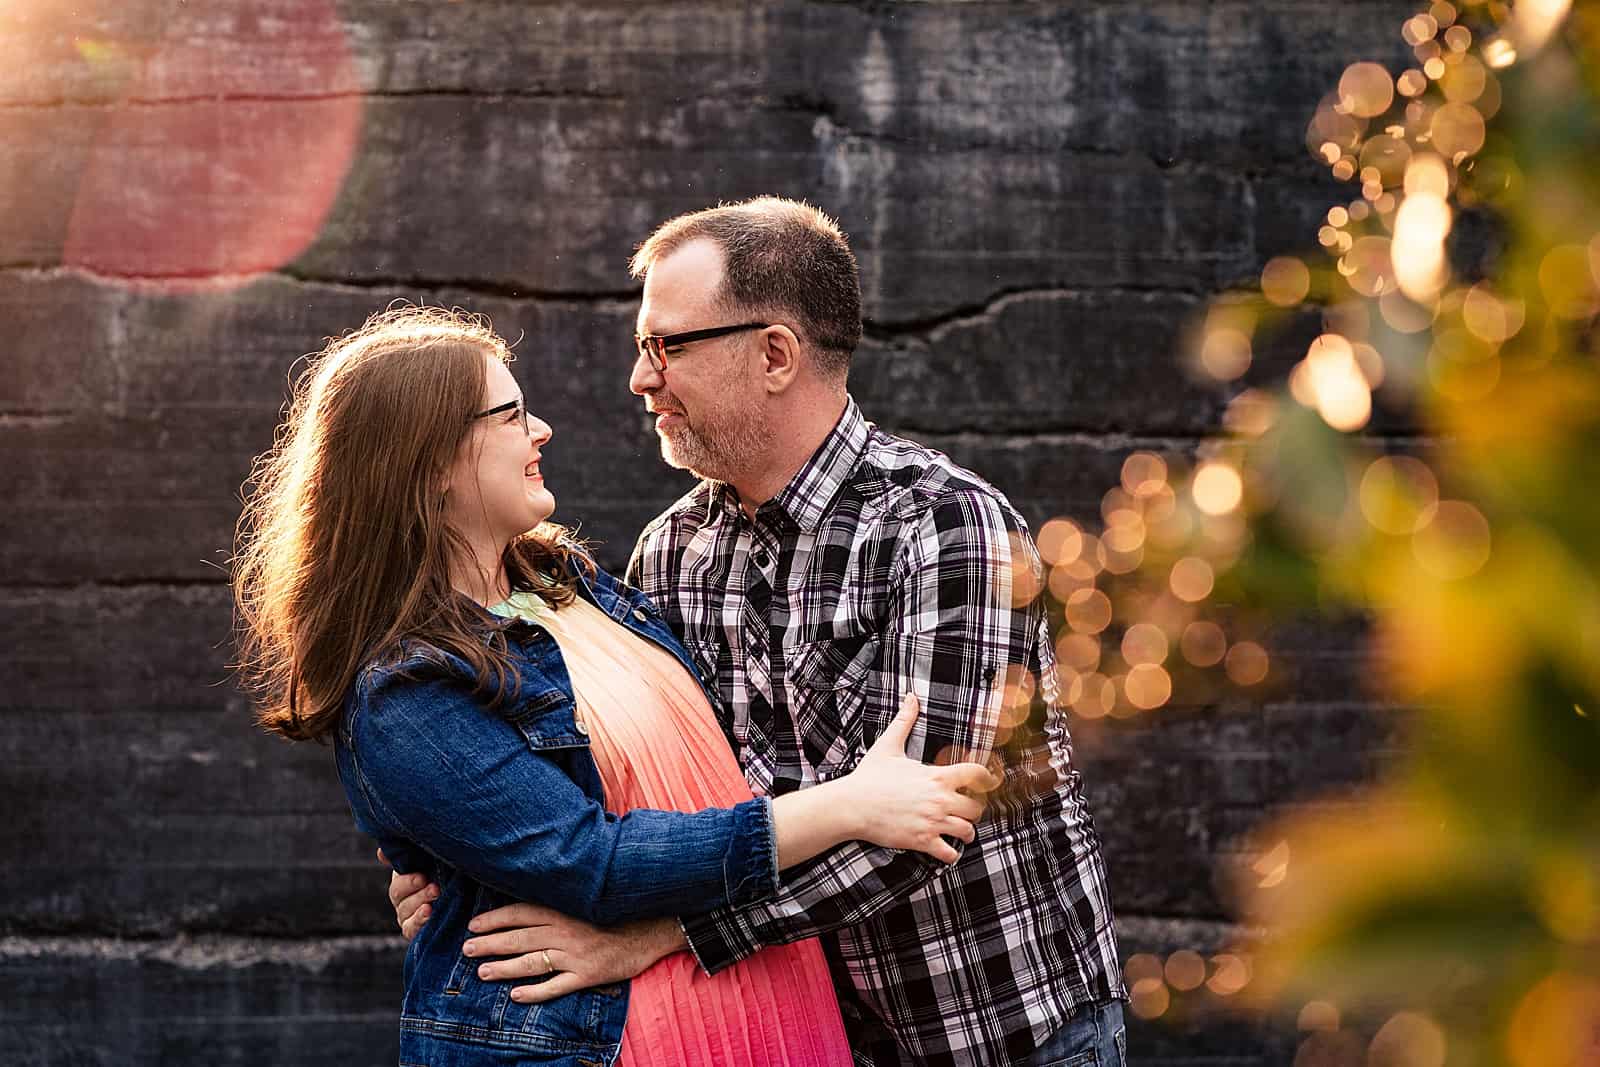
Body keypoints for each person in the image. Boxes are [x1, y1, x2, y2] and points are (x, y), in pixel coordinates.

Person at [391, 199, 1126, 1065]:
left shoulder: (946, 529)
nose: (641, 378)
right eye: (641, 346)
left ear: (774, 354)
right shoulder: (672, 551)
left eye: (667, 345)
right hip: (801, 1034)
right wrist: (463, 859)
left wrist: (658, 935)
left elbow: (922, 829)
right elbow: (629, 780)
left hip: (998, 1032)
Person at [231, 305, 1001, 1067]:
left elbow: (714, 765)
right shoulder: (405, 691)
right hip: (608, 1035)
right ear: (427, 462)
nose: (541, 431)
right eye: (510, 415)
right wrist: (845, 804)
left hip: (772, 995)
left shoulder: (577, 587)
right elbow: (592, 861)